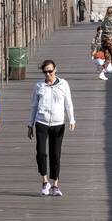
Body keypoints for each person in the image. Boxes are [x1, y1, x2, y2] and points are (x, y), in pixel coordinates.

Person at [26, 58, 75, 196]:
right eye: (45, 72)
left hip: (58, 124)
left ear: (55, 70)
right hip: (41, 122)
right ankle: (44, 181)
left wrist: (72, 119)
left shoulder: (64, 84)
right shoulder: (39, 86)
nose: (48, 74)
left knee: (56, 154)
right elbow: (34, 106)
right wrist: (30, 124)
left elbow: (68, 103)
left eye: (50, 71)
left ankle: (55, 185)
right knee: (41, 152)